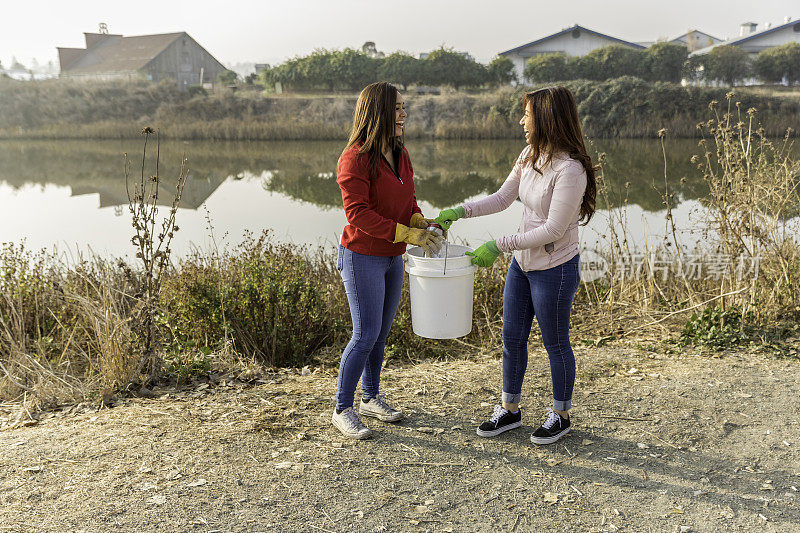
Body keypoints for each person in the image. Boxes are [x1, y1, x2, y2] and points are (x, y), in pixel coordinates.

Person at [436, 86, 596, 445]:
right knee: (512, 339)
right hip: (522, 265)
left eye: (528, 114)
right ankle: (510, 410)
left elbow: (553, 229)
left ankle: (561, 414)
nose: (522, 120)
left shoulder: (570, 170)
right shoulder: (529, 155)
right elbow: (503, 198)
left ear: (547, 118)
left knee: (556, 344)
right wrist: (458, 212)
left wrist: (497, 245)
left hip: (555, 268)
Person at [332, 81, 443, 440]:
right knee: (364, 335)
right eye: (396, 108)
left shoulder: (400, 152)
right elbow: (358, 215)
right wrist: (407, 234)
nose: (403, 113)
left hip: (393, 257)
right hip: (362, 256)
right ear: (377, 112)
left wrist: (418, 222)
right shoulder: (354, 158)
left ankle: (370, 397)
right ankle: (342, 408)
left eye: (403, 107)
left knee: (380, 335)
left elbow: (409, 198)